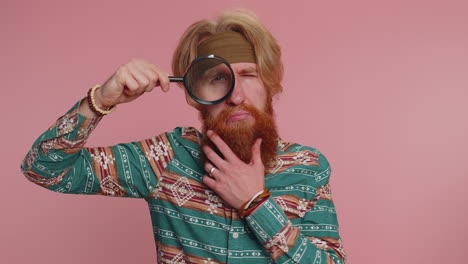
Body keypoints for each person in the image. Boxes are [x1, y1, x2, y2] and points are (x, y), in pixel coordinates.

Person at [21, 9, 346, 264]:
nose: (235, 96)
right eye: (217, 78)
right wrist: (100, 102)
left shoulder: (308, 166)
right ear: (193, 93)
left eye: (249, 74)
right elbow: (44, 169)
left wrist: (254, 203)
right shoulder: (166, 157)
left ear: (271, 83)